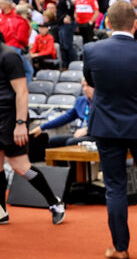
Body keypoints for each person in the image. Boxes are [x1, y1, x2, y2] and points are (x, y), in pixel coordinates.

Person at [83, 2, 137, 259]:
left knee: (114, 187)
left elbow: (90, 82)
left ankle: (120, 247)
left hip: (106, 127)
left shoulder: (92, 51)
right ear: (135, 24)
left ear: (107, 23)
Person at [0, 31, 65, 225]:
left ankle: (54, 203)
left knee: (20, 167)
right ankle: (1, 211)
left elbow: (22, 91)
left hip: (10, 118)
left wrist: (20, 123)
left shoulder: (9, 55)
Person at [30, 78, 93, 147]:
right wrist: (42, 127)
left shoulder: (102, 102)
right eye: (83, 86)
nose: (85, 89)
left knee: (71, 142)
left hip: (96, 136)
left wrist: (87, 129)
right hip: (81, 135)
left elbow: (105, 123)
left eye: (88, 86)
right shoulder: (81, 101)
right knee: (53, 141)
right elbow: (65, 117)